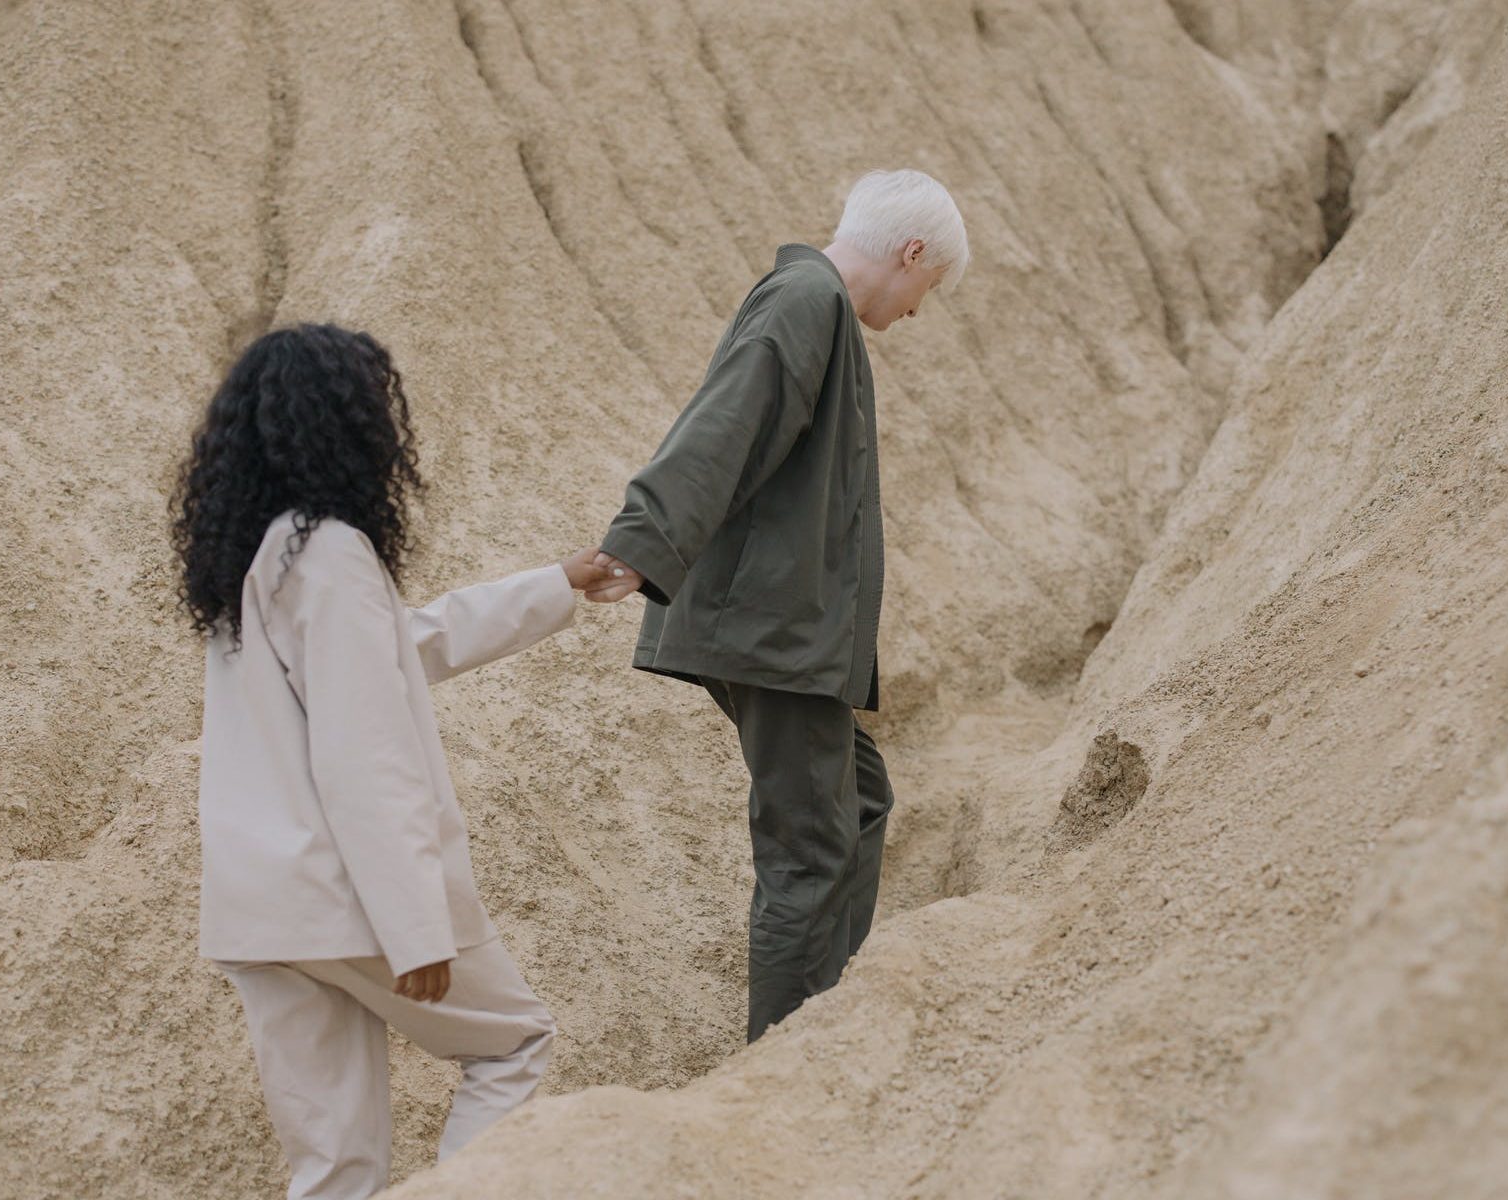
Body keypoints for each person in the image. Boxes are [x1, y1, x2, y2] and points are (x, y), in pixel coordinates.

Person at [171, 323, 615, 1200]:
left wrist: (557, 583)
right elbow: (364, 755)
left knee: (336, 1169)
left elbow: (406, 643)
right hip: (342, 900)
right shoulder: (329, 552)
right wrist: (416, 926)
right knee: (513, 1044)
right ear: (343, 427)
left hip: (262, 909)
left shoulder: (254, 559)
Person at [589, 169, 970, 1041]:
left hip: (785, 630)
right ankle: (786, 1058)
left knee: (860, 801)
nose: (919, 309)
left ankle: (823, 1011)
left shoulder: (818, 308)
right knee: (810, 851)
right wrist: (644, 537)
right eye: (928, 287)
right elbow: (726, 420)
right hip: (770, 630)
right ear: (911, 253)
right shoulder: (807, 300)